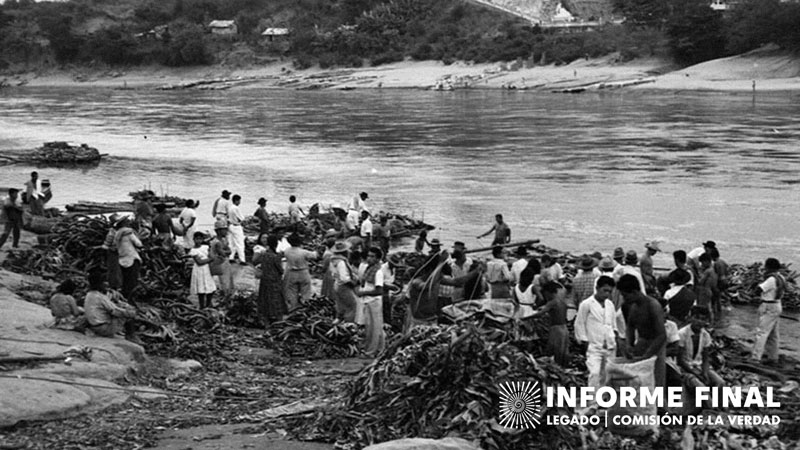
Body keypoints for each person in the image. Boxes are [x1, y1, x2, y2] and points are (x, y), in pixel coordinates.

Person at [619, 274, 667, 388]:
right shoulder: (633, 306)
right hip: (641, 343)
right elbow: (630, 327)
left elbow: (661, 335)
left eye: (626, 296)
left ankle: (660, 405)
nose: (625, 299)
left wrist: (648, 356)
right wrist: (629, 345)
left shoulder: (653, 305)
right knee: (638, 381)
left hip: (656, 346)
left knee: (656, 383)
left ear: (635, 292)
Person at [574, 276, 618, 389]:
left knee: (607, 374)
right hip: (594, 345)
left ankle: (604, 400)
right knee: (594, 373)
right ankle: (592, 402)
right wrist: (584, 341)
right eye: (605, 290)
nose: (607, 294)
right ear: (597, 288)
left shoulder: (610, 305)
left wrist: (615, 336)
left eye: (609, 291)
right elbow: (580, 323)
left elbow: (613, 324)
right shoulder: (586, 304)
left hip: (609, 344)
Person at [84, 271, 139, 343]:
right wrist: (131, 312)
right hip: (103, 328)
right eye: (104, 282)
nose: (107, 284)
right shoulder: (100, 297)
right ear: (99, 284)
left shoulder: (89, 294)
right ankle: (131, 336)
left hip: (94, 326)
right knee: (128, 315)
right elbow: (115, 311)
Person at [678, 307, 724, 388]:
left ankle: (718, 400)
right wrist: (696, 374)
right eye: (697, 318)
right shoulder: (682, 334)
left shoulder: (706, 335)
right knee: (701, 388)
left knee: (720, 383)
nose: (699, 321)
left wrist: (705, 373)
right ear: (691, 318)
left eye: (703, 319)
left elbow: (705, 358)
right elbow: (680, 360)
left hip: (699, 366)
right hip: (685, 369)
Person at [751, 258, 785, 365]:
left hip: (768, 306)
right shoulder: (781, 277)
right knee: (774, 334)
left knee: (762, 332)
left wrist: (754, 288)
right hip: (777, 305)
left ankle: (755, 358)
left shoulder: (771, 279)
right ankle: (773, 356)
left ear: (769, 267)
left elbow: (759, 290)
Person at [530, 281, 569, 366]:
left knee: (554, 351)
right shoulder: (562, 301)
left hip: (556, 329)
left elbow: (540, 313)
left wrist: (527, 317)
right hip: (564, 328)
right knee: (562, 351)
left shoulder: (552, 302)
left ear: (548, 292)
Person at [357, 247, 386, 357]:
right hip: (369, 300)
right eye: (368, 256)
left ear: (378, 259)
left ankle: (371, 351)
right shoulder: (369, 268)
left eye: (372, 256)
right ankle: (379, 349)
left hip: (373, 301)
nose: (369, 258)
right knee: (376, 326)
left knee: (373, 328)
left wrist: (363, 293)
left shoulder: (378, 272)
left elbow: (379, 290)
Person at [253, 234, 286, 325]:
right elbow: (280, 269)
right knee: (277, 300)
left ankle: (266, 321)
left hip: (265, 280)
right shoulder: (276, 256)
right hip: (275, 281)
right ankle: (278, 320)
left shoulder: (264, 254)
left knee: (265, 299)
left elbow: (255, 261)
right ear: (276, 244)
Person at [283, 233, 317, 311]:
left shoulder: (287, 251)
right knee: (305, 292)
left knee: (292, 292)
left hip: (291, 273)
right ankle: (305, 307)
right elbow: (315, 256)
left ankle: (293, 308)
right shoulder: (303, 252)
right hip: (303, 272)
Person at [114, 217, 143, 301]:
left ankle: (125, 296)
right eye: (126, 221)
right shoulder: (129, 233)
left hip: (122, 260)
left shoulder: (117, 234)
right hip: (131, 259)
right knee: (133, 280)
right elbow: (138, 244)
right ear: (124, 223)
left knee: (125, 280)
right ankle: (132, 298)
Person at [330, 241, 358, 322]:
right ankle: (348, 323)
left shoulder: (334, 260)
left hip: (336, 284)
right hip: (343, 286)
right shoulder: (341, 262)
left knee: (340, 306)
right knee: (352, 305)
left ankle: (338, 321)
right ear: (344, 251)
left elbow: (333, 274)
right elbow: (344, 278)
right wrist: (353, 283)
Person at [187, 231, 216, 308]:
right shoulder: (193, 251)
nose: (198, 241)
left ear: (202, 239)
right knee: (201, 289)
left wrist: (210, 258)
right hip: (199, 270)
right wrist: (210, 259)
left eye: (200, 239)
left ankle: (208, 304)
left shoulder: (205, 247)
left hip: (207, 269)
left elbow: (211, 255)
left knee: (210, 287)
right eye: (197, 239)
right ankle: (202, 305)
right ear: (194, 239)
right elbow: (199, 262)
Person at [209, 219, 235, 301]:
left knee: (227, 279)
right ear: (218, 231)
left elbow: (228, 251)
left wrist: (226, 251)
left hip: (223, 262)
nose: (226, 231)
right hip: (220, 263)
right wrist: (227, 251)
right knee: (223, 281)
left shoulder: (223, 240)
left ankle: (226, 296)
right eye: (224, 230)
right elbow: (224, 253)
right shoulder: (217, 242)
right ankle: (225, 297)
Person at [100, 214, 123, 290]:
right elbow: (107, 244)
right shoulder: (112, 232)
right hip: (113, 252)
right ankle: (115, 286)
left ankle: (118, 284)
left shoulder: (120, 231)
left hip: (119, 252)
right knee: (114, 270)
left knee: (118, 270)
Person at [696, 253, 719, 322]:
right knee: (709, 307)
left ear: (707, 261)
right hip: (710, 290)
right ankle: (711, 321)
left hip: (704, 291)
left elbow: (700, 281)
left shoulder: (707, 271)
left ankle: (708, 322)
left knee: (704, 308)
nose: (702, 264)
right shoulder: (713, 270)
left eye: (702, 262)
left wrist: (696, 272)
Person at [227, 194, 246, 264]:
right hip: (236, 226)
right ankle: (242, 260)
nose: (240, 202)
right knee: (240, 243)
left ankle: (231, 257)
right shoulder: (236, 208)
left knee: (232, 243)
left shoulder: (230, 207)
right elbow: (242, 218)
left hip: (231, 226)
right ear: (236, 200)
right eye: (239, 200)